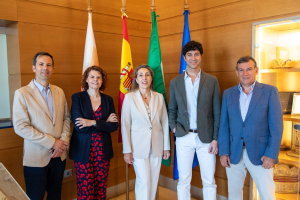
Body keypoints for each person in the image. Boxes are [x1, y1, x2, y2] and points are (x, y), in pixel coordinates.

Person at [218, 56, 283, 200]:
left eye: (248, 69)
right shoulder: (228, 94)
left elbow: (276, 126)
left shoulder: (270, 91)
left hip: (261, 154)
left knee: (267, 193)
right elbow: (223, 125)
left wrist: (271, 154)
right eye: (241, 70)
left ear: (256, 70)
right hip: (234, 152)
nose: (245, 73)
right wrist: (223, 152)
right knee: (234, 194)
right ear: (236, 72)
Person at [13, 52, 71, 200]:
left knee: (55, 195)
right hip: (36, 157)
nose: (45, 68)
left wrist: (62, 143)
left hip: (59, 156)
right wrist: (52, 142)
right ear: (34, 68)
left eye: (48, 65)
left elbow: (66, 118)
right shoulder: (22, 93)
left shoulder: (59, 92)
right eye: (41, 64)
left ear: (53, 69)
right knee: (35, 196)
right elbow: (20, 126)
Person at [168, 41, 221, 200]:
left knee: (209, 181)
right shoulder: (175, 82)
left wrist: (215, 138)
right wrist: (174, 128)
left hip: (206, 138)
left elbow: (217, 111)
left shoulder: (212, 81)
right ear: (184, 57)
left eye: (196, 54)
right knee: (183, 180)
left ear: (201, 56)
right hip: (183, 136)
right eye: (189, 55)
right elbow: (172, 109)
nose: (193, 58)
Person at [121, 64, 170, 200]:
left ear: (151, 78)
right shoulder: (129, 98)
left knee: (153, 180)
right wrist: (127, 150)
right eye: (141, 75)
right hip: (138, 147)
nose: (144, 78)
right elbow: (125, 124)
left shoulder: (159, 97)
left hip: (157, 146)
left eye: (147, 75)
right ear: (136, 79)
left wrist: (166, 147)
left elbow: (165, 123)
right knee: (143, 181)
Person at [69, 66, 118, 200]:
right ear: (86, 79)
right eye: (92, 77)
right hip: (83, 150)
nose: (95, 80)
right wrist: (103, 123)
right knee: (85, 190)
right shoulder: (77, 98)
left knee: (101, 188)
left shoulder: (108, 100)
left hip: (102, 151)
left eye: (98, 77)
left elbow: (114, 126)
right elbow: (79, 127)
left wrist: (92, 122)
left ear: (102, 80)